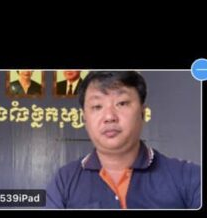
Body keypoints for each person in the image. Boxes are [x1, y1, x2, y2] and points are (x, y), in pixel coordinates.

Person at [46, 70, 201, 209]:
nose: (109, 116)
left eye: (121, 103)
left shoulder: (188, 177)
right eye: (97, 106)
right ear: (84, 118)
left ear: (143, 113)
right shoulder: (65, 181)